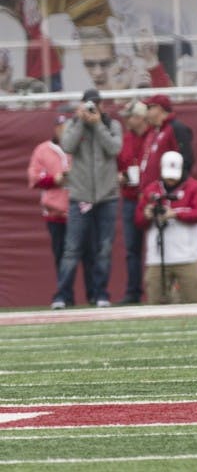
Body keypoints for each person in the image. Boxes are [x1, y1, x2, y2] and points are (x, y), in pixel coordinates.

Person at [50, 89, 122, 309]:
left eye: (96, 104)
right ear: (81, 105)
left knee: (104, 248)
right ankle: (62, 295)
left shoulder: (112, 125)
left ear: (102, 106)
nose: (93, 108)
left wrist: (98, 124)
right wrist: (81, 121)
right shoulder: (74, 124)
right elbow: (67, 146)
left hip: (106, 196)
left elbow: (114, 148)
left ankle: (100, 293)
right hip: (80, 195)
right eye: (89, 104)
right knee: (72, 249)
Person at [28, 110, 95, 301]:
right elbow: (34, 177)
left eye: (67, 128)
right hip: (56, 211)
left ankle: (93, 294)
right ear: (56, 129)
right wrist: (56, 178)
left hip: (82, 208)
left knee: (88, 255)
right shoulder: (43, 149)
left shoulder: (80, 147)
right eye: (60, 128)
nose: (63, 131)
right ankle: (65, 296)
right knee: (62, 256)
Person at [135, 150, 197, 304]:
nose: (170, 180)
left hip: (188, 256)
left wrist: (175, 214)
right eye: (167, 176)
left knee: (195, 303)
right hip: (157, 258)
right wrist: (147, 214)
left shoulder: (194, 187)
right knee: (156, 304)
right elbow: (138, 220)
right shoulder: (151, 190)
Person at [116, 99, 150, 305]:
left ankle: (159, 288)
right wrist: (121, 176)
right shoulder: (126, 139)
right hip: (130, 197)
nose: (126, 120)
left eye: (129, 116)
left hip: (150, 197)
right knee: (132, 249)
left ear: (139, 117)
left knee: (157, 244)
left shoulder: (154, 136)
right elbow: (121, 164)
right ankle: (133, 292)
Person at [138, 94, 195, 193]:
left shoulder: (176, 128)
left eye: (149, 108)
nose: (146, 112)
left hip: (165, 192)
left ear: (159, 108)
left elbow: (186, 160)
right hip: (148, 192)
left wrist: (170, 188)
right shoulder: (153, 131)